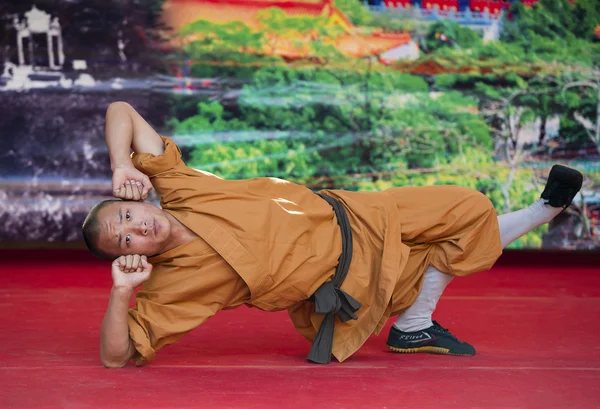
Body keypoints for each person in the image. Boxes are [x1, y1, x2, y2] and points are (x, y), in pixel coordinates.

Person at [83, 101, 583, 368]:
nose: (136, 229)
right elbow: (115, 356)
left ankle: (414, 325)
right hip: (346, 277)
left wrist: (121, 161)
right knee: (434, 252)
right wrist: (123, 292)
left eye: (125, 218)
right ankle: (545, 209)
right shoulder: (172, 285)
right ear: (133, 256)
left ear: (136, 201)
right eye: (124, 241)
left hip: (352, 210)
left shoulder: (179, 188)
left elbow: (121, 110)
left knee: (465, 208)